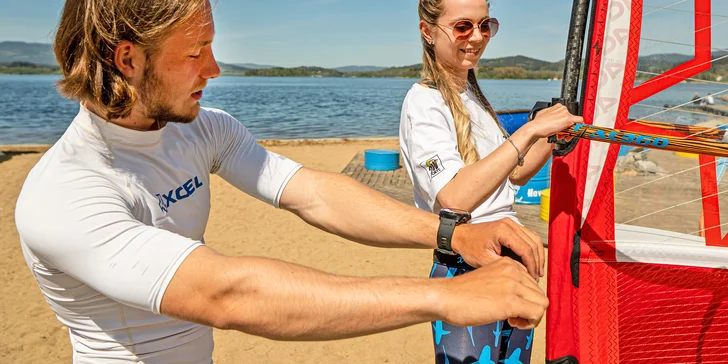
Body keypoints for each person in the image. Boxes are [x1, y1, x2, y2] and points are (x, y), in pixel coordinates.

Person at [14, 0, 550, 362]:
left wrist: (450, 235)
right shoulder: (65, 194)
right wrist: (445, 297)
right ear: (127, 59)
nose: (215, 69)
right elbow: (228, 294)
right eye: (196, 53)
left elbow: (312, 192)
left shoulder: (200, 130)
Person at [399, 0, 581, 363]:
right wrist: (529, 129)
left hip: (511, 263)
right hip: (467, 266)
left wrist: (549, 138)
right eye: (463, 26)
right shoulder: (425, 102)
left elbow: (510, 175)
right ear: (428, 31)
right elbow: (454, 197)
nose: (477, 37)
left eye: (485, 25)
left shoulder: (473, 98)